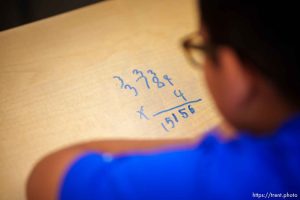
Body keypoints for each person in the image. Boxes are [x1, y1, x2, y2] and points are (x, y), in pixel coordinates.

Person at [27, 0, 300, 199]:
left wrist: (204, 146)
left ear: (235, 76)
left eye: (202, 46)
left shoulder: (231, 181)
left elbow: (48, 176)